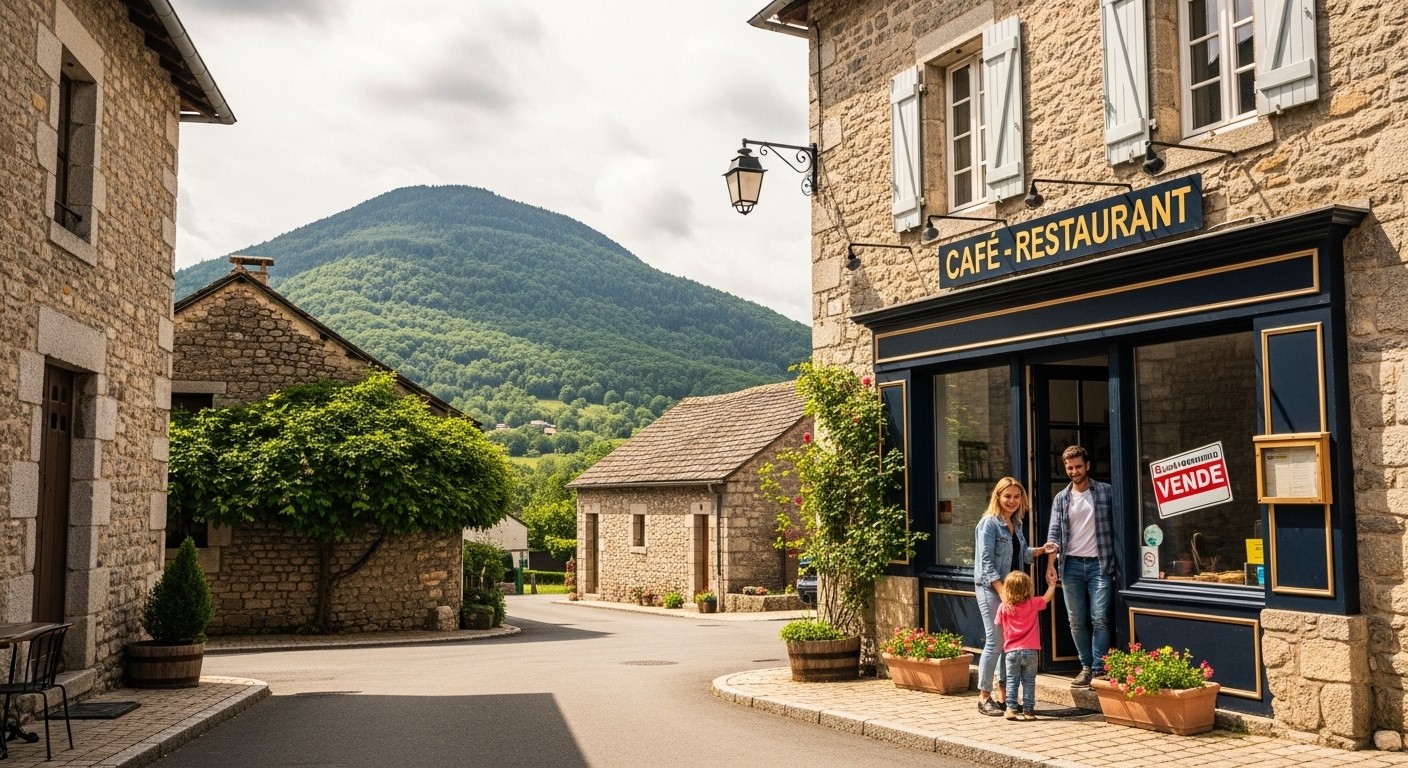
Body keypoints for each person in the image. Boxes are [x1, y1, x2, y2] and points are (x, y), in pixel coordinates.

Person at [973, 477, 1057, 716]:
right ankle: (983, 697)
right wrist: (1002, 591)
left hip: (1012, 591)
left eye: (1016, 496)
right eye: (1007, 496)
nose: (1012, 501)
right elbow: (986, 562)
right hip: (991, 588)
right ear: (998, 497)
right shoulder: (988, 524)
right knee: (996, 641)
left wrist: (1040, 551)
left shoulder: (1016, 523)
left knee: (1008, 644)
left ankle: (1004, 697)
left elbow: (1019, 555)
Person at [1044, 444, 1117, 688]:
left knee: (1100, 618)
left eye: (1078, 466)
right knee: (1076, 620)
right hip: (1071, 565)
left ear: (1087, 466)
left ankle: (1098, 668)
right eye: (1069, 468)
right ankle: (1086, 666)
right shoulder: (1062, 499)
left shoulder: (1106, 492)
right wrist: (1050, 565)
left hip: (1100, 565)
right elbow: (1054, 535)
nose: (1074, 471)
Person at [996, 569, 1057, 721]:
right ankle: (1029, 711)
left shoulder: (1004, 607)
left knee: (1012, 680)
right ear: (1028, 588)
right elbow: (1047, 598)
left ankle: (1011, 709)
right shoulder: (1033, 603)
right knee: (1029, 681)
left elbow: (997, 624)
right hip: (1031, 650)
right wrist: (1052, 585)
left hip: (1011, 651)